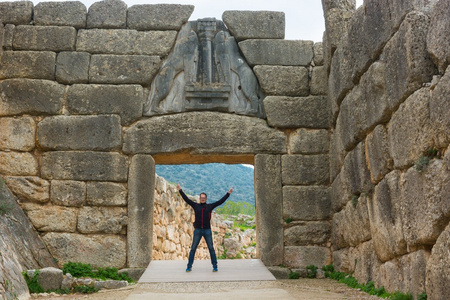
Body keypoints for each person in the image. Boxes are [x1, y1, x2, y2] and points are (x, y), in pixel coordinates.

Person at [176, 183, 233, 272]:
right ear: (200, 198)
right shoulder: (195, 205)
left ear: (206, 199)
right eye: (201, 198)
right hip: (198, 230)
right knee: (193, 248)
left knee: (211, 248)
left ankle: (215, 266)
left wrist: (228, 193)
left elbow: (220, 201)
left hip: (207, 231)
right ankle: (189, 266)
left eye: (204, 198)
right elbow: (186, 199)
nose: (202, 199)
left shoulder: (209, 206)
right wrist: (180, 190)